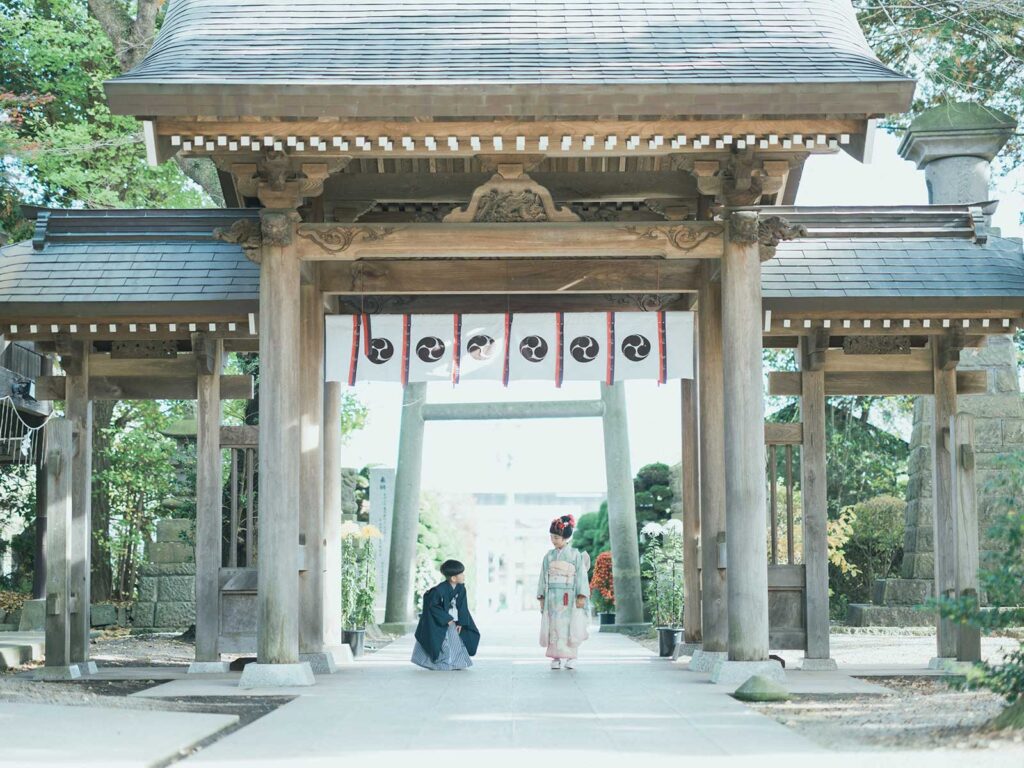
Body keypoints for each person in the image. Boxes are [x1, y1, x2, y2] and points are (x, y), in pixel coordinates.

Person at [537, 515, 591, 670]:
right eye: (552, 537)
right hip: (553, 596)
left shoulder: (575, 554)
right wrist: (541, 595)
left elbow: (581, 575)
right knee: (553, 625)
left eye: (556, 537)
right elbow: (543, 576)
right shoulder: (549, 556)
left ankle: (571, 657)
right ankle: (555, 657)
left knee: (570, 625)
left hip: (570, 595)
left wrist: (581, 595)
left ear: (566, 537)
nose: (553, 540)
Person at [411, 559, 480, 670]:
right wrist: (447, 619)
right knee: (438, 640)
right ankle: (444, 663)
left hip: (452, 619)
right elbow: (432, 606)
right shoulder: (438, 590)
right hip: (439, 619)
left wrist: (461, 622)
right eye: (461, 574)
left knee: (454, 639)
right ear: (453, 578)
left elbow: (462, 606)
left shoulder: (461, 588)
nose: (463, 575)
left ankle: (455, 662)